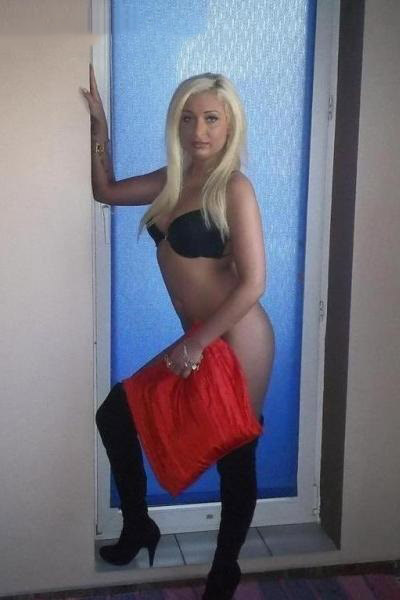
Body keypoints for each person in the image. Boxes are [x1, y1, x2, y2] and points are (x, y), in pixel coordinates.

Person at [81, 65, 275, 600]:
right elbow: (105, 190)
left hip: (237, 336)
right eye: (188, 118)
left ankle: (224, 572)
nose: (199, 130)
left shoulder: (234, 187)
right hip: (200, 336)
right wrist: (99, 128)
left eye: (211, 118)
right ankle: (139, 526)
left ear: (230, 124)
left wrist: (196, 342)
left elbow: (254, 282)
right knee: (115, 414)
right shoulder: (172, 179)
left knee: (235, 452)